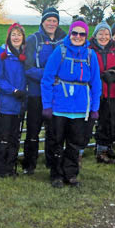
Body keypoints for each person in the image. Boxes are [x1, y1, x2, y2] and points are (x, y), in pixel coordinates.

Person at [41, 20, 101, 188]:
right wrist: (47, 105)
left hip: (81, 108)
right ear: (70, 34)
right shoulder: (59, 52)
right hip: (60, 107)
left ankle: (71, 173)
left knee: (75, 143)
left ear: (86, 36)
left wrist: (95, 108)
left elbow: (96, 83)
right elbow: (47, 79)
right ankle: (56, 174)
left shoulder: (90, 56)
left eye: (82, 34)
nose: (77, 37)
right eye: (74, 33)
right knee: (56, 142)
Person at [23, 7, 67, 174]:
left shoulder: (64, 39)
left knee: (54, 131)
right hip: (37, 93)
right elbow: (27, 68)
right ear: (42, 22)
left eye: (54, 21)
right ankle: (29, 164)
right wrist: (48, 76)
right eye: (48, 20)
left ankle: (52, 162)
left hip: (56, 94)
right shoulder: (33, 39)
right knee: (33, 130)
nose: (51, 23)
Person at [0, 23, 27, 177]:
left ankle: (10, 167)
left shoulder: (24, 56)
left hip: (19, 102)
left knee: (15, 136)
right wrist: (13, 90)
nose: (16, 37)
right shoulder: (2, 55)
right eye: (13, 34)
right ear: (9, 37)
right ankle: (0, 168)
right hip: (6, 101)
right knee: (3, 137)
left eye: (19, 34)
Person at [89, 20, 115, 164]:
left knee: (108, 120)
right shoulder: (90, 49)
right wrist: (98, 76)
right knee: (93, 121)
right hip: (96, 91)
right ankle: (92, 150)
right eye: (100, 33)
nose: (103, 36)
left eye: (106, 34)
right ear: (95, 35)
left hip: (111, 91)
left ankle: (105, 148)